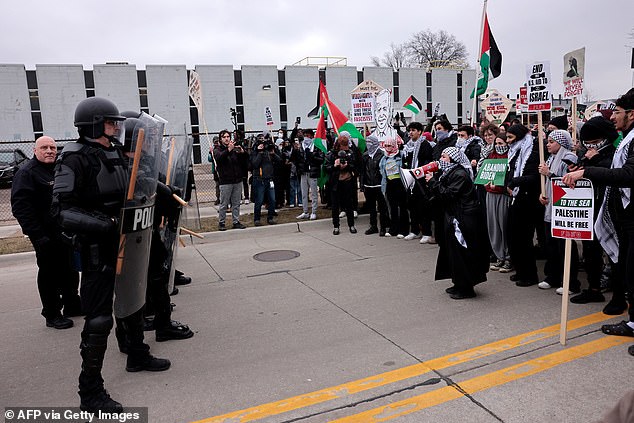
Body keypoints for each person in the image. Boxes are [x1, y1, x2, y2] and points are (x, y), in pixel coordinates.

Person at [51, 97, 170, 412]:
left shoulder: (115, 151)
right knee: (100, 319)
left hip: (128, 243)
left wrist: (157, 192)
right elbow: (61, 211)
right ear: (92, 124)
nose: (117, 127)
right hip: (98, 249)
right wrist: (108, 224)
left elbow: (133, 184)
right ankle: (90, 392)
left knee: (132, 303)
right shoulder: (73, 158)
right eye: (110, 122)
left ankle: (136, 354)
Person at [563, 90, 634, 357]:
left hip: (627, 217)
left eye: (617, 112)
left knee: (627, 267)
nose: (613, 117)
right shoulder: (626, 139)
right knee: (626, 268)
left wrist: (588, 170)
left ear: (631, 113)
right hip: (621, 215)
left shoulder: (625, 144)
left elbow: (627, 174)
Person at [11, 136, 80, 329]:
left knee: (70, 270)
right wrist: (37, 235)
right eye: (44, 148)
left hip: (64, 231)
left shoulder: (58, 169)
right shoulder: (27, 173)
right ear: (35, 150)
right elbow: (21, 208)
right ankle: (51, 313)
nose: (49, 150)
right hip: (44, 234)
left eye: (52, 147)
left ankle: (72, 305)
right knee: (49, 274)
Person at [423, 147, 488, 299]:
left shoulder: (459, 174)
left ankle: (466, 288)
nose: (441, 159)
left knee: (462, 253)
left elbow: (449, 194)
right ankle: (458, 283)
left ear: (453, 159)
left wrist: (432, 181)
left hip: (462, 219)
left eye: (444, 157)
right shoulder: (449, 172)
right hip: (454, 216)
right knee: (453, 253)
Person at [569, 116, 617, 305]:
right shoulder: (589, 154)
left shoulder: (614, 152)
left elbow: (614, 172)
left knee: (613, 252)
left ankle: (618, 293)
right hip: (592, 208)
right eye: (587, 143)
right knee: (591, 251)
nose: (591, 147)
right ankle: (593, 288)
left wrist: (595, 160)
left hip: (610, 209)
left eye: (595, 143)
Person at [537, 129, 581, 294]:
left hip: (563, 208)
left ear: (561, 143)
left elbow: (568, 182)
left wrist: (549, 174)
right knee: (551, 245)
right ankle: (553, 276)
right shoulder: (551, 157)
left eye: (551, 142)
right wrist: (543, 195)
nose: (548, 145)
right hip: (551, 208)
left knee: (565, 246)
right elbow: (547, 183)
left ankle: (571, 281)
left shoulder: (570, 158)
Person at [505, 124, 542, 287]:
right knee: (514, 237)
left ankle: (529, 275)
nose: (507, 141)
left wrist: (515, 182)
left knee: (524, 238)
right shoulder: (515, 150)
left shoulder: (532, 151)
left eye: (510, 138)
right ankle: (520, 271)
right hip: (516, 197)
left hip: (528, 199)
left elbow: (534, 177)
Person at [401, 122, 434, 242]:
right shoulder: (407, 146)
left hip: (421, 181)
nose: (410, 133)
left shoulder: (425, 145)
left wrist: (418, 172)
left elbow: (428, 162)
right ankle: (414, 230)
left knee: (423, 207)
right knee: (412, 206)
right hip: (410, 181)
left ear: (420, 131)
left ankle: (427, 232)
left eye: (413, 130)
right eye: (409, 130)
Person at [485, 133, 512, 273]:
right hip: (490, 194)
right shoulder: (491, 157)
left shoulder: (511, 157)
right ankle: (499, 256)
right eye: (497, 144)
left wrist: (501, 186)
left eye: (501, 144)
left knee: (504, 226)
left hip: (503, 195)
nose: (498, 146)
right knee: (493, 227)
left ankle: (508, 257)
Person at [214, 129, 247, 230]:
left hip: (237, 180)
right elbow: (220, 159)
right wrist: (228, 150)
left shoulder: (234, 150)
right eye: (224, 137)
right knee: (224, 204)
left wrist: (242, 153)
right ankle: (221, 222)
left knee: (236, 203)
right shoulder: (218, 150)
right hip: (225, 181)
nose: (227, 139)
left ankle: (236, 221)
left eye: (228, 137)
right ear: (220, 139)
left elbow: (243, 162)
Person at [326, 134, 358, 234]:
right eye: (343, 146)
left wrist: (347, 166)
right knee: (335, 206)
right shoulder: (331, 154)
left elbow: (355, 166)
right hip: (335, 183)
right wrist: (335, 166)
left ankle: (351, 225)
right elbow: (326, 168)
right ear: (338, 145)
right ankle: (336, 226)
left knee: (349, 205)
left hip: (348, 182)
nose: (346, 148)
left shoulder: (350, 153)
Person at [360, 135, 389, 236]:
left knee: (382, 208)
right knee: (371, 208)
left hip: (379, 185)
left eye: (370, 142)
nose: (368, 144)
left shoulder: (382, 154)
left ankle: (383, 227)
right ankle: (373, 226)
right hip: (368, 186)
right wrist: (362, 184)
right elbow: (362, 171)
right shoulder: (365, 155)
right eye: (367, 142)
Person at [380, 137, 408, 238]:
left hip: (399, 183)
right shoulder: (384, 158)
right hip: (389, 183)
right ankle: (393, 229)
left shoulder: (400, 155)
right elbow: (382, 171)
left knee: (402, 207)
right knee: (393, 207)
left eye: (390, 146)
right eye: (385, 146)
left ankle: (403, 230)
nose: (387, 148)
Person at [294, 129, 323, 220]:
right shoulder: (300, 146)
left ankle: (314, 211)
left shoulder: (316, 146)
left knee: (314, 193)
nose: (306, 137)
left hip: (312, 172)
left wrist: (312, 156)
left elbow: (321, 159)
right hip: (303, 173)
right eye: (305, 135)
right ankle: (305, 211)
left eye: (308, 135)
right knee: (304, 193)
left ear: (311, 136)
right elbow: (297, 159)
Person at [251, 134, 280, 226]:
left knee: (272, 200)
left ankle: (270, 217)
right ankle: (257, 219)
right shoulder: (255, 151)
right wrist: (260, 152)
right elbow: (254, 164)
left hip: (270, 179)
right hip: (259, 180)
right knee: (259, 201)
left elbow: (280, 161)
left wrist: (273, 153)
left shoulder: (269, 152)